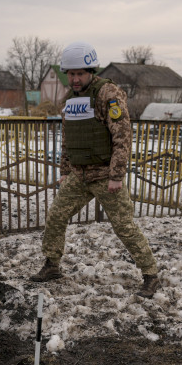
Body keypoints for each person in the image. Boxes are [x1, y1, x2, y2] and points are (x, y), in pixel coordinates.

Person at [30, 41, 159, 298]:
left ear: (91, 71)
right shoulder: (71, 100)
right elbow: (67, 137)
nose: (75, 79)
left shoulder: (107, 94)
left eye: (80, 73)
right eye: (71, 74)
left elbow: (122, 136)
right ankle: (52, 265)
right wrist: (65, 169)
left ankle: (151, 274)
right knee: (55, 216)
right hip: (79, 175)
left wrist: (116, 176)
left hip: (104, 174)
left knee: (123, 226)